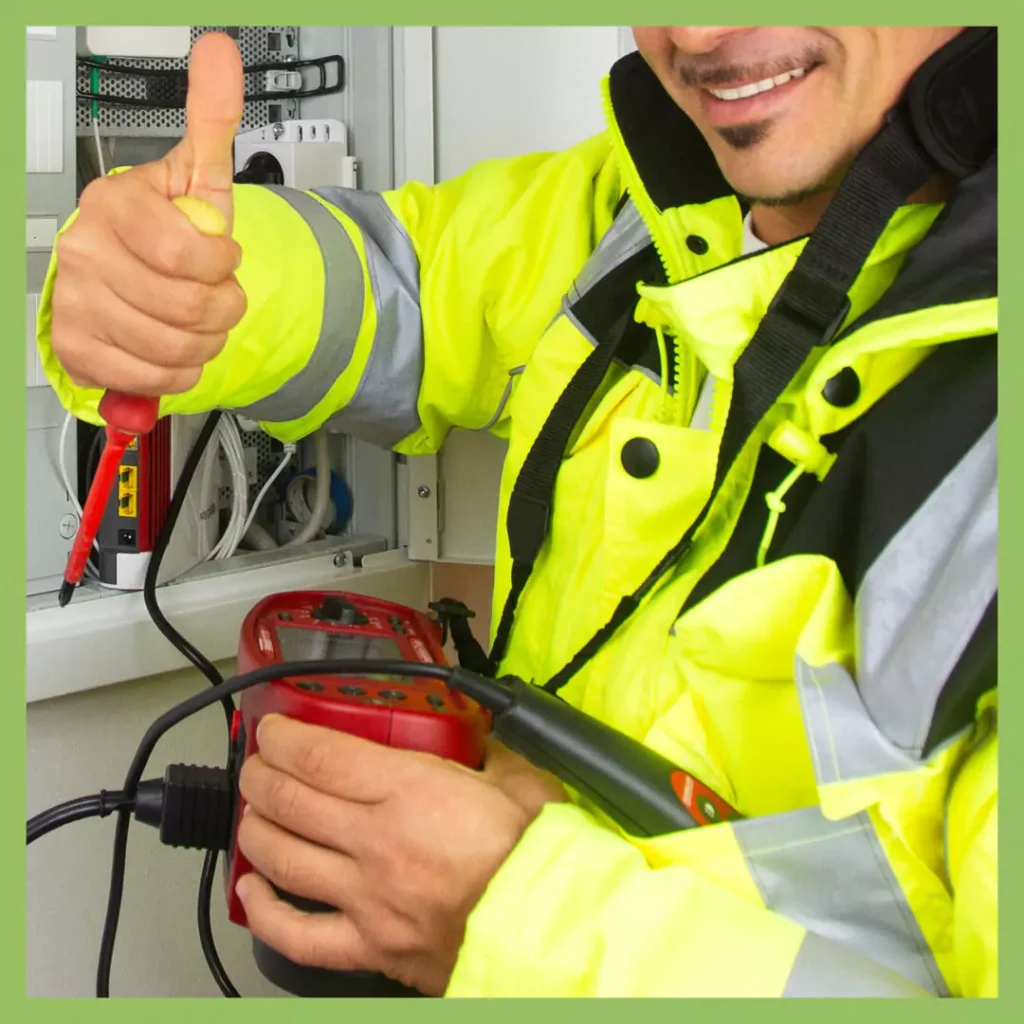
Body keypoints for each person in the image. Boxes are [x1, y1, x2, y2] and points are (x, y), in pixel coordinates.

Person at [38, 26, 997, 998]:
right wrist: (173, 280)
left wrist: (514, 922)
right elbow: (406, 284)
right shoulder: (641, 206)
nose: (702, 32)